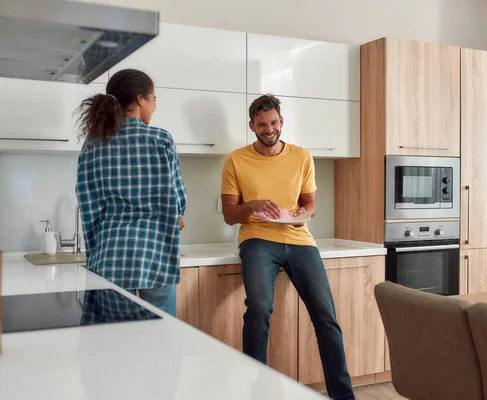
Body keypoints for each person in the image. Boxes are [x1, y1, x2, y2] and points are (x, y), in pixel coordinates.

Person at [220, 94, 355, 400]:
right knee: (259, 308)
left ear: (282, 121)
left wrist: (300, 216)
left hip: (298, 239)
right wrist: (252, 205)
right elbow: (229, 215)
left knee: (325, 314)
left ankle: (343, 396)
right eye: (262, 124)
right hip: (257, 240)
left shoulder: (302, 156)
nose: (269, 129)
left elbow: (310, 206)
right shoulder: (236, 160)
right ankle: (257, 391)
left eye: (274, 122)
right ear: (252, 126)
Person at [75, 68, 187, 317]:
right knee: (161, 334)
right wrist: (173, 217)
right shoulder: (160, 139)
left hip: (110, 254)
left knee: (114, 339)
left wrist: (96, 249)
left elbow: (87, 200)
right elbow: (178, 199)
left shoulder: (94, 143)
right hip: (156, 253)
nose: (154, 106)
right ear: (140, 100)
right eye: (153, 99)